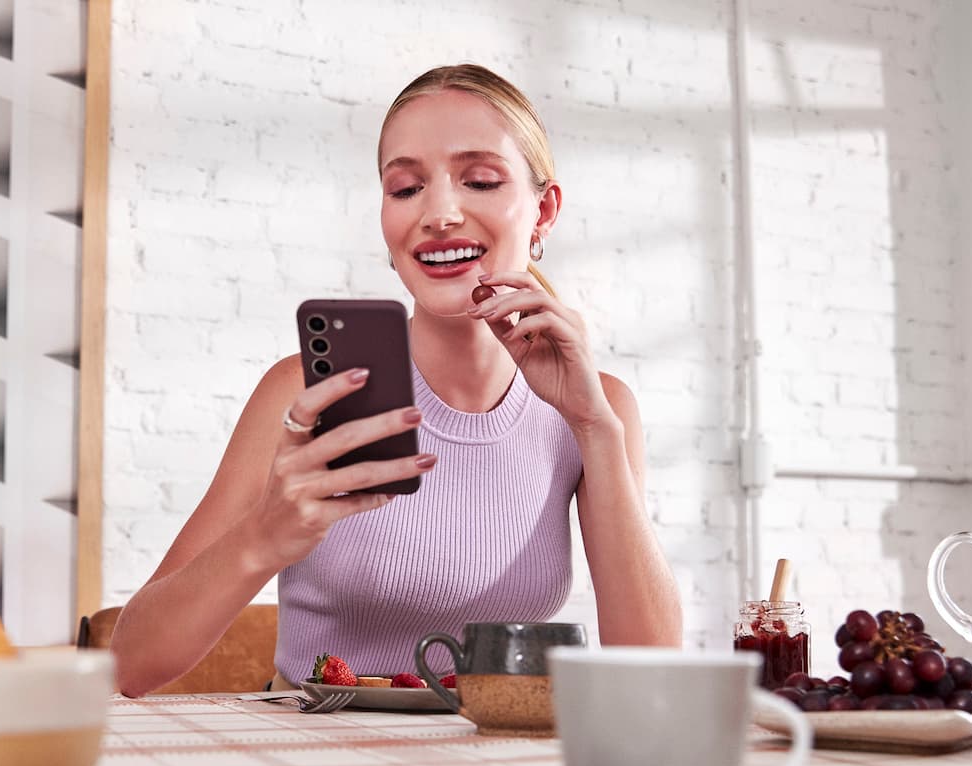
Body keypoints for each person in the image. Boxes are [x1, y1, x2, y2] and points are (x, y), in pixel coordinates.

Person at [112, 64, 682, 696]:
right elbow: (132, 665)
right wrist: (263, 537)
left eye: (481, 180)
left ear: (544, 210)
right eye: (406, 189)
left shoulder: (601, 410)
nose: (438, 213)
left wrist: (594, 427)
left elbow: (655, 672)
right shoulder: (304, 393)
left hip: (496, 762)